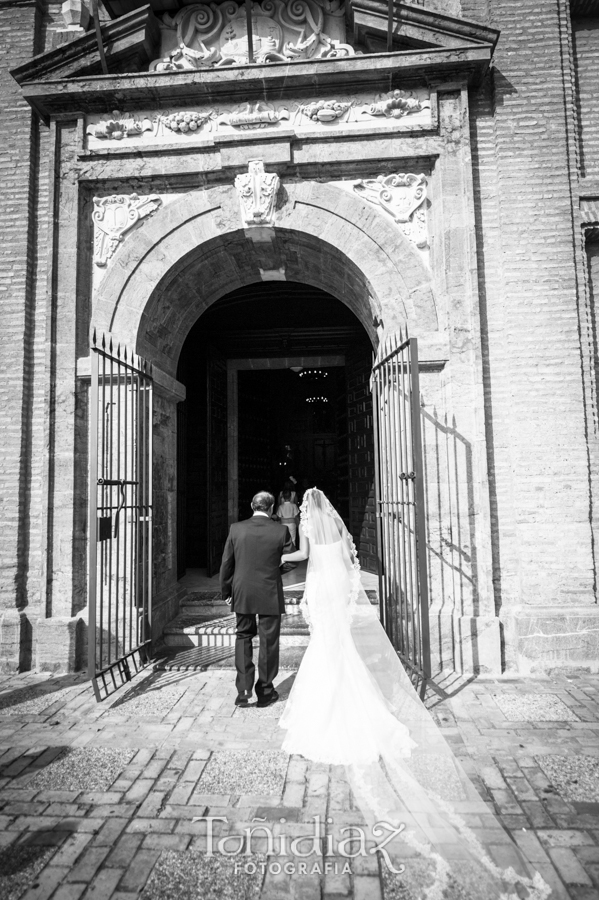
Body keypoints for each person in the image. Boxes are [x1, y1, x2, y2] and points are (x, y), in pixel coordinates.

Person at [278, 488, 550, 900]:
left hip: (318, 583)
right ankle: (356, 701)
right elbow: (352, 559)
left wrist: (279, 557)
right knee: (339, 647)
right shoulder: (334, 522)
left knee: (325, 646)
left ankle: (328, 708)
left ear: (304, 508)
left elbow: (302, 556)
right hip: (335, 584)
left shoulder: (306, 525)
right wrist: (352, 592)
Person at [219, 490, 294, 708]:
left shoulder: (236, 529)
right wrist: (274, 571)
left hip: (242, 591)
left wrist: (226, 591)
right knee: (269, 641)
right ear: (271, 508)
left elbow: (226, 564)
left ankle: (243, 690)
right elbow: (292, 560)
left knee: (243, 636)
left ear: (252, 505)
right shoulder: (281, 531)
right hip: (270, 590)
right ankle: (265, 691)